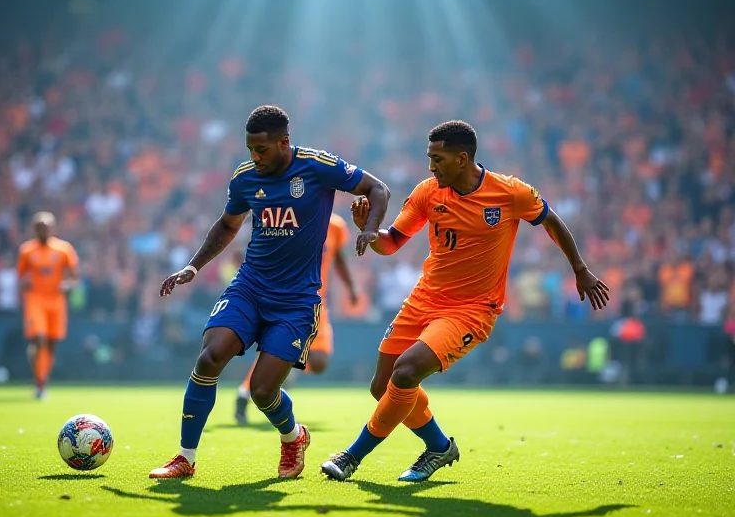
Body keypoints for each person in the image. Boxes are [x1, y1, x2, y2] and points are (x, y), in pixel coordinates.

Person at [321, 121, 609, 482]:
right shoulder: (428, 193)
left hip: (471, 310)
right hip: (424, 299)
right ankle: (440, 447)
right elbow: (392, 242)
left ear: (462, 158)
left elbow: (552, 221)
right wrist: (370, 232)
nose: (431, 167)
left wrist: (580, 269)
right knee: (382, 387)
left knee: (406, 372)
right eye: (429, 158)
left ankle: (351, 457)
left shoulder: (509, 192)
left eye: (437, 159)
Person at [149, 105, 389, 479]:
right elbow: (227, 226)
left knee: (263, 391)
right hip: (250, 287)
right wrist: (193, 266)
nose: (254, 157)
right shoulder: (245, 178)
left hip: (296, 301)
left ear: (284, 143)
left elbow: (378, 188)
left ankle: (293, 437)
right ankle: (185, 457)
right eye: (250, 150)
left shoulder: (317, 166)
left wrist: (370, 228)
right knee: (210, 358)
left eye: (261, 150)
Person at [234, 212, 359, 425]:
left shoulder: (335, 226)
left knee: (319, 362)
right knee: (277, 349)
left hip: (316, 304)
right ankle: (245, 394)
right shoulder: (292, 216)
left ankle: (287, 367)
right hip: (287, 299)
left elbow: (339, 259)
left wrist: (351, 287)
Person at [17, 212, 79, 399]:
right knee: (40, 338)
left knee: (51, 344)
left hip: (56, 301)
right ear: (35, 229)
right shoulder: (27, 251)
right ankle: (40, 382)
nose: (44, 230)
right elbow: (20, 276)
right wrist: (24, 284)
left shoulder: (63, 249)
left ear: (53, 228)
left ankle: (42, 378)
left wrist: (68, 285)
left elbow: (74, 276)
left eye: (47, 227)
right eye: (40, 227)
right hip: (36, 300)